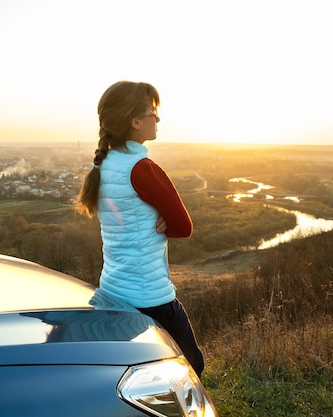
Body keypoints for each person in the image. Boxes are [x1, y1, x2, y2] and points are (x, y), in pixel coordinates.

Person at [75, 81, 205, 377]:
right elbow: (183, 227)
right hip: (150, 297)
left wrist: (157, 213)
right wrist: (163, 215)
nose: (157, 118)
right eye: (152, 112)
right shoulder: (143, 169)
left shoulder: (103, 165)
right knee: (191, 366)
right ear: (135, 121)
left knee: (128, 370)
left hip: (112, 289)